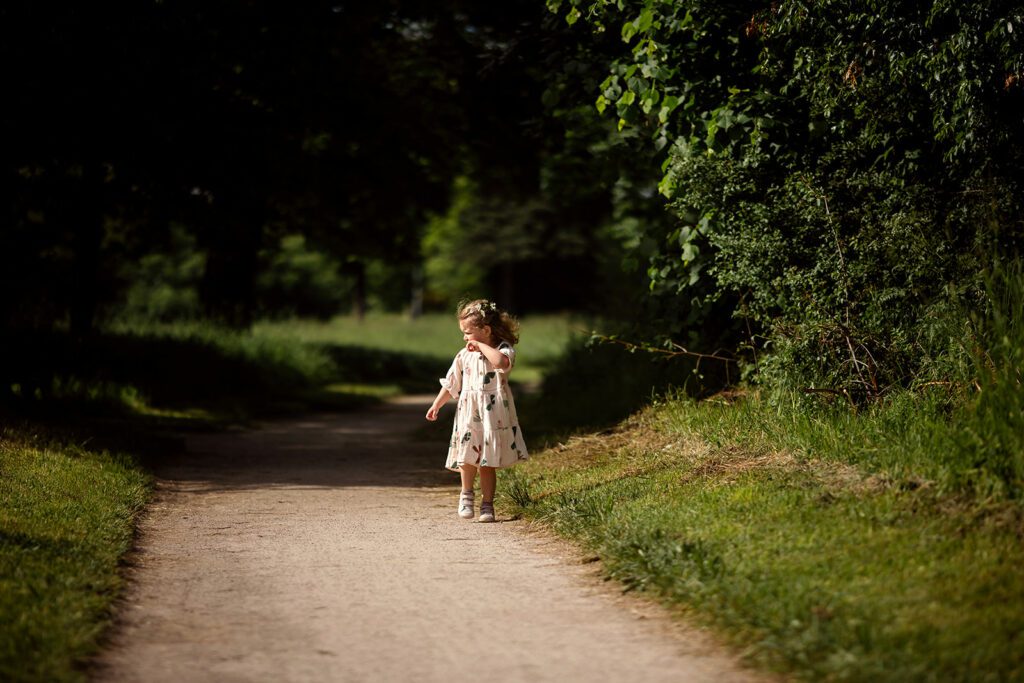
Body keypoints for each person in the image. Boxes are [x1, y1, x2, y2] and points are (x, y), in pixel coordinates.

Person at [426, 299, 529, 522]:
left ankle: (487, 505)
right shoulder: (463, 355)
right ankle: (466, 495)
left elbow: (501, 363)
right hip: (469, 413)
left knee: (487, 461)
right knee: (466, 456)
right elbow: (452, 383)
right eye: (463, 333)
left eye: (468, 333)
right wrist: (437, 404)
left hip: (492, 416)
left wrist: (481, 346)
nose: (465, 338)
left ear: (486, 330)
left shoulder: (503, 349)